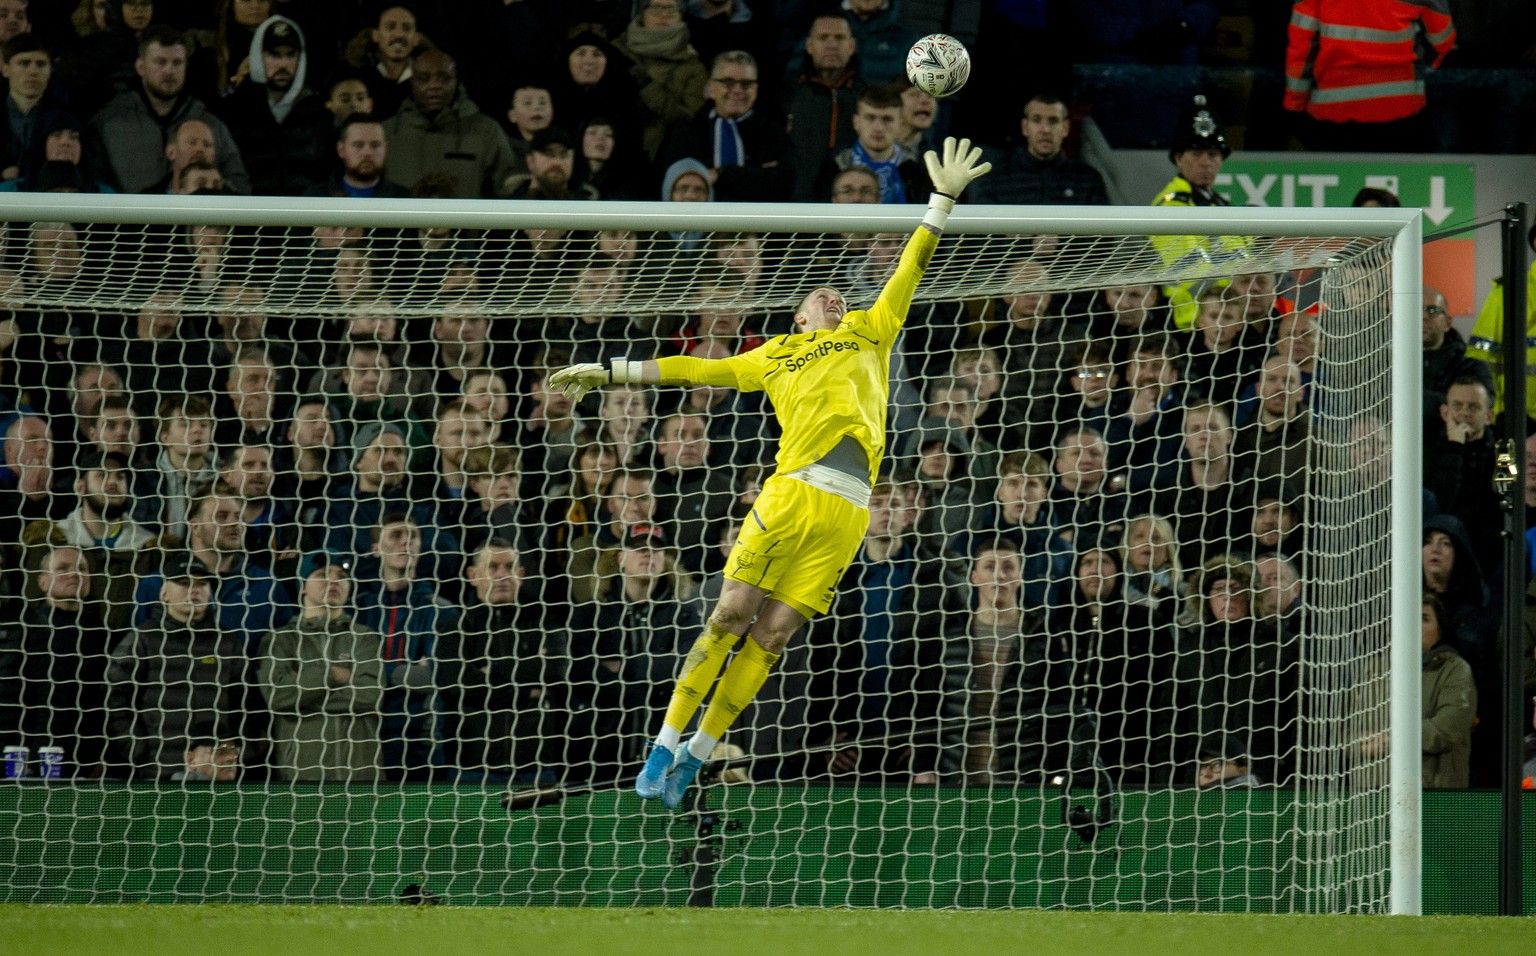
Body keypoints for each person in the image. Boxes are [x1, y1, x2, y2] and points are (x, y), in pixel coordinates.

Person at [548, 136, 991, 808]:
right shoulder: (774, 355)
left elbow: (910, 266)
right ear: (797, 316)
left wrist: (941, 201)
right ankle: (664, 742)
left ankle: (698, 754)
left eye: (840, 295)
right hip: (790, 496)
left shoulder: (872, 331)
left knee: (774, 635)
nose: (835, 299)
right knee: (728, 616)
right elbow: (695, 368)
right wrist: (613, 370)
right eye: (823, 297)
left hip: (847, 514)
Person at [104, 552, 245, 780]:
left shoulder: (227, 643)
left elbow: (245, 703)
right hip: (157, 770)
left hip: (215, 774)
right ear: (164, 593)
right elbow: (115, 698)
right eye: (183, 583)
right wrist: (136, 749)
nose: (194, 590)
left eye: (202, 583)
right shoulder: (142, 640)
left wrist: (237, 752)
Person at [260, 553, 385, 783]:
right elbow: (278, 697)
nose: (334, 580)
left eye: (342, 576)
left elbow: (370, 695)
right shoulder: (281, 639)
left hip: (362, 775)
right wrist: (332, 675)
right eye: (322, 575)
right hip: (301, 775)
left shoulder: (364, 637)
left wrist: (305, 692)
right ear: (303, 588)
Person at [86, 25, 251, 194]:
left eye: (177, 63)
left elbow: (239, 186)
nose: (169, 71)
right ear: (140, 67)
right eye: (160, 62)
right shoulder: (108, 123)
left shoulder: (210, 125)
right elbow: (95, 186)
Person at [0, 543, 115, 778]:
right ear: (42, 582)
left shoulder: (105, 636)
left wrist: (104, 754)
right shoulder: (23, 630)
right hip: (29, 755)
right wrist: (30, 752)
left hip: (85, 757)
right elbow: (18, 696)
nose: (74, 574)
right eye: (62, 568)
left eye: (82, 569)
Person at [1284, 0, 1456, 153]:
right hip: (1401, 111)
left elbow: (1302, 45)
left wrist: (1296, 103)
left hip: (1333, 112)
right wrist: (1426, 62)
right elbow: (1441, 39)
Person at [214, 15, 333, 196]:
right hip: (248, 219)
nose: (282, 64)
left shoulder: (320, 115)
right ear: (257, 56)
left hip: (305, 220)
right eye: (274, 54)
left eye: (290, 55)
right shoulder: (233, 112)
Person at [657, 49, 791, 203]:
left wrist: (721, 174)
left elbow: (780, 185)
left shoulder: (773, 133)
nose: (738, 90)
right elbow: (674, 186)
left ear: (756, 90)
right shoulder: (687, 131)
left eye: (746, 84)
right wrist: (754, 173)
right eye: (728, 82)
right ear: (711, 89)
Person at [381, 48, 515, 198]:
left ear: (456, 80)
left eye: (444, 78)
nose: (435, 85)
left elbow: (509, 191)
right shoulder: (386, 132)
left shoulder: (486, 131)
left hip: (465, 221)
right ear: (412, 82)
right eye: (424, 79)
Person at [970, 94, 1108, 206]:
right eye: (1036, 120)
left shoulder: (1087, 179)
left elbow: (1105, 235)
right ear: (1025, 127)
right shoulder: (997, 177)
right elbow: (976, 236)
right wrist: (1027, 239)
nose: (1045, 130)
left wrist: (1061, 239)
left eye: (1053, 121)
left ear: (1065, 128)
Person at [786, 12, 858, 202]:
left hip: (851, 204)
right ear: (809, 46)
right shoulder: (786, 94)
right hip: (795, 201)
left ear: (852, 46)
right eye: (823, 38)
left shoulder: (865, 98)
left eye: (839, 38)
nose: (832, 44)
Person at [1421, 286, 1493, 427]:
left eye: (1433, 310)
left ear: (1447, 323)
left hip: (1454, 446)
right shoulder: (1385, 364)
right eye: (1415, 309)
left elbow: (1476, 410)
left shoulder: (1470, 366)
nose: (1424, 316)